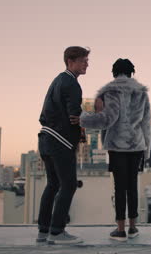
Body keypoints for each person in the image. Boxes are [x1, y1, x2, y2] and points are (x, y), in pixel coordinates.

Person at [80, 58, 151, 241]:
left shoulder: (111, 91)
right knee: (132, 187)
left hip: (118, 147)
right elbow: (146, 124)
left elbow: (107, 120)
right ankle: (133, 228)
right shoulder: (142, 93)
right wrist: (146, 150)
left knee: (120, 188)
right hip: (137, 146)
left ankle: (120, 230)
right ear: (131, 72)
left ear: (114, 72)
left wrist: (83, 118)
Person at [37, 46, 90, 244]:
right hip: (60, 141)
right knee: (68, 185)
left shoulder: (58, 80)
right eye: (83, 60)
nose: (87, 64)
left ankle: (44, 230)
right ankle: (57, 232)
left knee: (52, 185)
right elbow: (75, 116)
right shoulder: (72, 84)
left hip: (45, 139)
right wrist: (88, 117)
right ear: (70, 60)